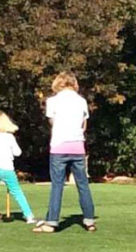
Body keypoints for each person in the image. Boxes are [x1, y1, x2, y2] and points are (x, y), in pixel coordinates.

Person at [32, 71, 96, 233]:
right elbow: (84, 126)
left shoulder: (52, 101)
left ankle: (52, 222)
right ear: (74, 83)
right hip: (77, 146)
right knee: (83, 184)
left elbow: (52, 122)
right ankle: (89, 221)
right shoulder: (81, 101)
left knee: (57, 185)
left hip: (59, 146)